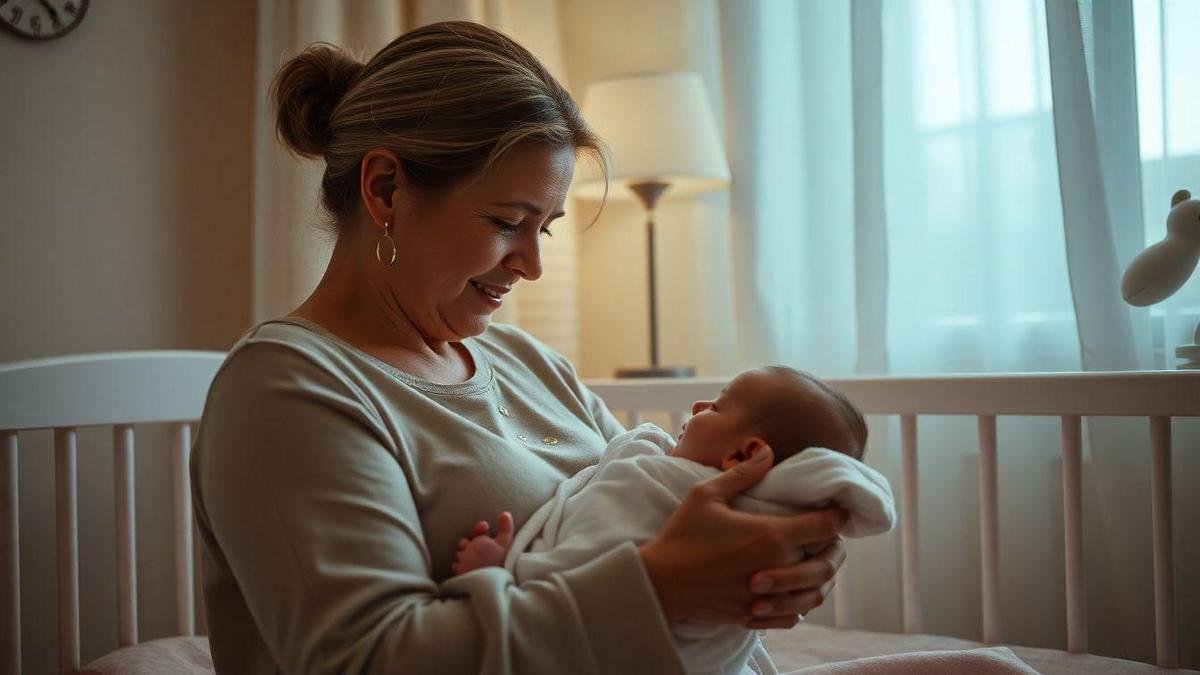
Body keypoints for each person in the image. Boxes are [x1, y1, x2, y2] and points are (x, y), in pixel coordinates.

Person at [190, 20, 848, 675]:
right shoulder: (286, 390)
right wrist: (663, 584)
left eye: (545, 228)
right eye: (508, 223)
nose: (530, 264)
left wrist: (762, 562)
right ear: (385, 188)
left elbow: (658, 509)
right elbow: (374, 657)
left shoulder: (529, 364)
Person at [449, 366, 896, 675]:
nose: (699, 406)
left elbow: (586, 555)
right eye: (504, 222)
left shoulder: (660, 481)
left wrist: (506, 572)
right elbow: (608, 569)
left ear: (745, 455)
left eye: (717, 408)